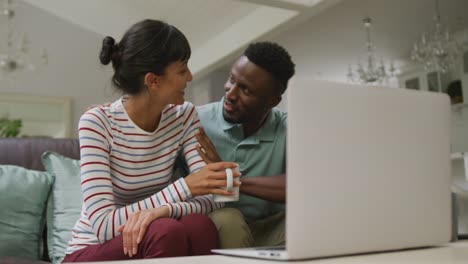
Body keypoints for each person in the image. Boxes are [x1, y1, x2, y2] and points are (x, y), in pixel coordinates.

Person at [63, 19, 240, 262]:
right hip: (91, 250)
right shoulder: (97, 122)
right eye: (182, 70)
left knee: (198, 225)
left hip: (159, 234)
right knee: (165, 231)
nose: (190, 77)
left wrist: (164, 210)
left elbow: (217, 197)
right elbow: (103, 226)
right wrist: (185, 187)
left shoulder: (184, 115)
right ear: (153, 80)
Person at [180, 41, 295, 249]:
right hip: (219, 223)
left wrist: (230, 179)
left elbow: (302, 184)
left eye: (246, 91)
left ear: (272, 101)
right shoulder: (196, 120)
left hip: (271, 228)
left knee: (310, 213)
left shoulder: (289, 127)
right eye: (232, 80)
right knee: (228, 218)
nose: (230, 94)